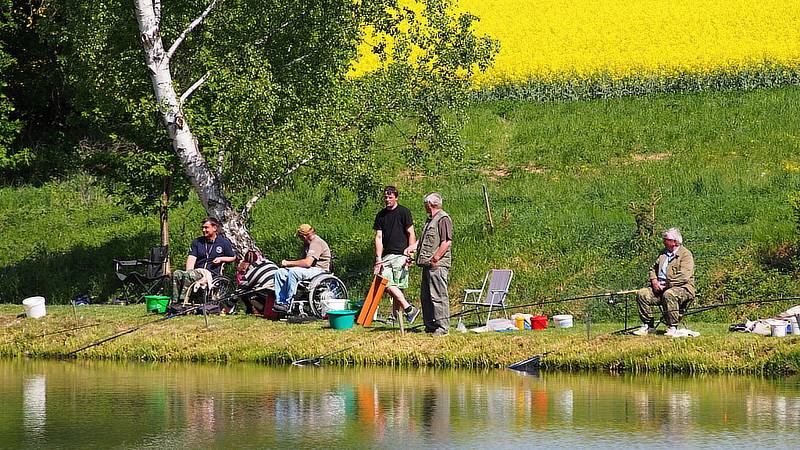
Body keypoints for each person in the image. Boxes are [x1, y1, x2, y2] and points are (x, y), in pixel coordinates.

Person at [633, 227, 696, 337]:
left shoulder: (686, 255)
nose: (663, 241)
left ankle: (672, 327)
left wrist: (667, 285)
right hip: (660, 287)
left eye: (666, 239)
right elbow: (653, 269)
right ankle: (648, 326)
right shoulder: (662, 254)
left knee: (669, 294)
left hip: (682, 288)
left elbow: (684, 276)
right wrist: (654, 281)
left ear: (674, 242)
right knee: (642, 294)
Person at [374, 186, 420, 325]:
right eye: (385, 197)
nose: (387, 200)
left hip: (402, 255)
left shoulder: (404, 212)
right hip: (387, 256)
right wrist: (378, 258)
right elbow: (378, 237)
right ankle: (409, 309)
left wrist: (410, 253)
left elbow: (411, 233)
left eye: (390, 197)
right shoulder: (380, 215)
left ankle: (395, 317)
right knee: (387, 284)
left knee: (397, 287)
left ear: (396, 197)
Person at [171, 217, 236, 304]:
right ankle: (175, 301)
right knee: (177, 273)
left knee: (189, 275)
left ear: (214, 228)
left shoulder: (223, 242)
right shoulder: (197, 242)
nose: (203, 230)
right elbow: (191, 258)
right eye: (202, 227)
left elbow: (232, 257)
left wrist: (221, 259)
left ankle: (183, 302)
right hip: (197, 272)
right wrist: (188, 272)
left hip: (212, 273)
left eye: (206, 227)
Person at [415, 192, 453, 336]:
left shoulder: (443, 218)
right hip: (426, 265)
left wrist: (435, 258)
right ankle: (430, 325)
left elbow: (447, 241)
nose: (424, 206)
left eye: (425, 204)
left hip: (437, 265)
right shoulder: (430, 220)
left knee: (438, 295)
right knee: (426, 296)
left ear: (430, 204)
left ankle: (443, 327)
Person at [272, 224, 332, 313]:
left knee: (293, 272)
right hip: (309, 270)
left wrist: (288, 263)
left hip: (319, 270)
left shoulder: (316, 242)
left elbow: (307, 263)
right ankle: (281, 302)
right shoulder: (307, 245)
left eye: (300, 237)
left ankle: (288, 303)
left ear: (304, 236)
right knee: (280, 272)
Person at [236, 250, 279, 316]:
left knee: (246, 293)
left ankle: (259, 309)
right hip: (280, 288)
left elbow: (240, 289)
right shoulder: (269, 262)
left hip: (269, 291)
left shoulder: (251, 271)